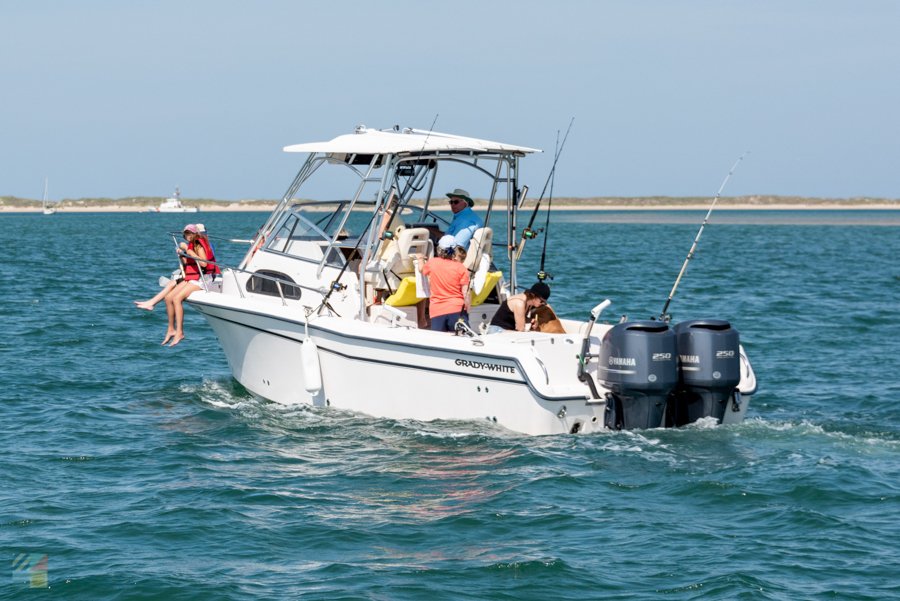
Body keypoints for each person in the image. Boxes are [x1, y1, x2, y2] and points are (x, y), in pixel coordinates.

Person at [161, 224, 211, 346]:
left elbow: (204, 264)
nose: (188, 236)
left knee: (177, 299)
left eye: (190, 233)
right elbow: (191, 264)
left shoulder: (198, 245)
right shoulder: (191, 245)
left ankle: (180, 332)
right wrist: (183, 256)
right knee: (168, 298)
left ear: (195, 234)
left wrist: (188, 251)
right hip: (193, 277)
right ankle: (171, 329)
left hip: (202, 279)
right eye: (186, 234)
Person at [417, 235, 470, 332]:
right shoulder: (461, 267)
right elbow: (466, 293)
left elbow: (421, 270)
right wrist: (467, 311)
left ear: (439, 249)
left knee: (438, 341)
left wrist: (420, 259)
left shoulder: (432, 262)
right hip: (457, 309)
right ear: (455, 251)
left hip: (437, 310)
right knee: (463, 338)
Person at [486, 282, 551, 334]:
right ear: (533, 296)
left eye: (544, 302)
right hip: (496, 331)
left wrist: (532, 320)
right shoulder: (519, 303)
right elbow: (521, 329)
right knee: (527, 334)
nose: (542, 303)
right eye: (542, 301)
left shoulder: (529, 302)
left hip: (507, 330)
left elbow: (521, 318)